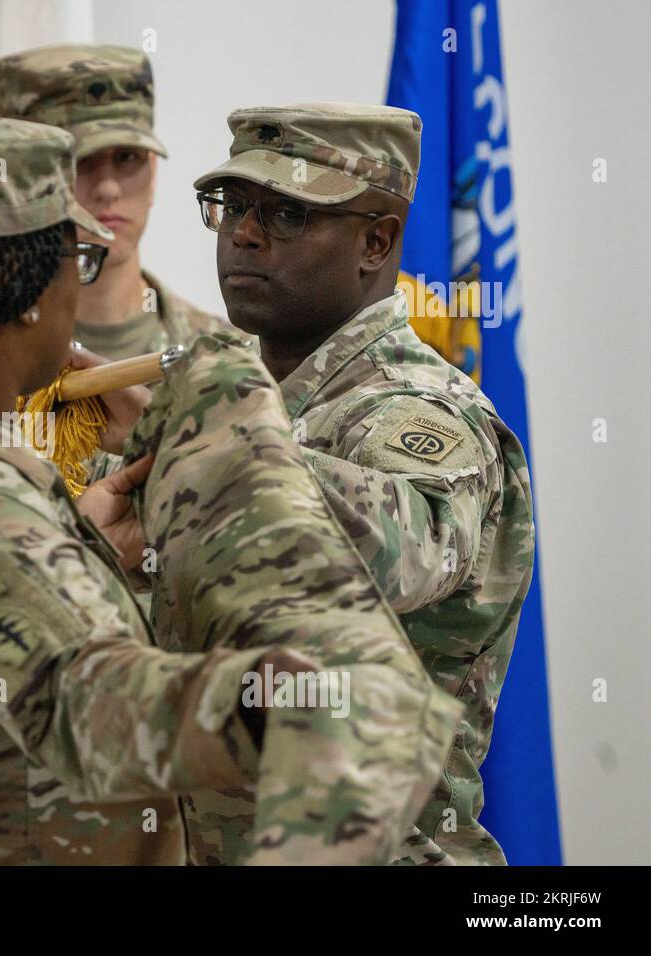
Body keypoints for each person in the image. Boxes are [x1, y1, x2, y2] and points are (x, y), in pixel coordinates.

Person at [0, 113, 460, 865]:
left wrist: (77, 542)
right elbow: (93, 709)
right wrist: (297, 702)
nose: (243, 236)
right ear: (26, 287)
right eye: (77, 259)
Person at [187, 102, 534, 864]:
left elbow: (408, 552)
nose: (243, 234)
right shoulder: (244, 394)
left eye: (285, 213)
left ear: (376, 241)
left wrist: (214, 440)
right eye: (233, 207)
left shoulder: (418, 409)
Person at [0, 44, 235, 360]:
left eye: (127, 157)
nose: (107, 188)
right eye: (79, 161)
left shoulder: (221, 358)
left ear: (153, 172)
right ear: (21, 180)